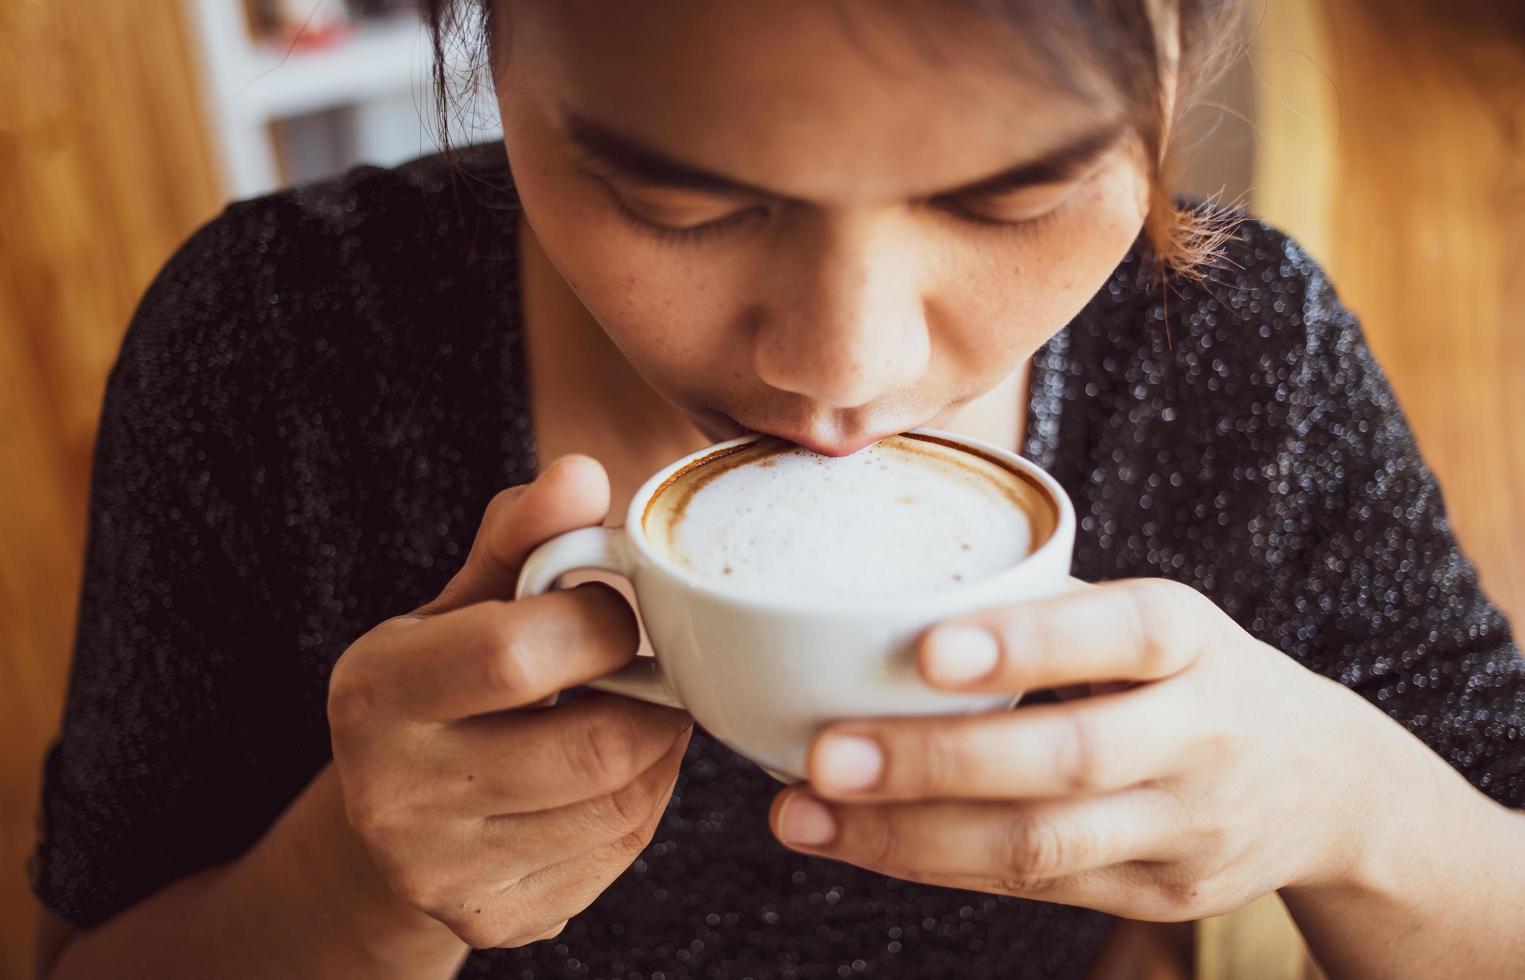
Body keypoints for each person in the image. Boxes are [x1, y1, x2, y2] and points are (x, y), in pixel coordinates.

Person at [29, 2, 1525, 978]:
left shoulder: (1241, 360)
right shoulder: (274, 348)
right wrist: (354, 887)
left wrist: (1351, 809)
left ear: (1176, 70)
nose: (839, 370)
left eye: (1009, 197)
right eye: (682, 203)